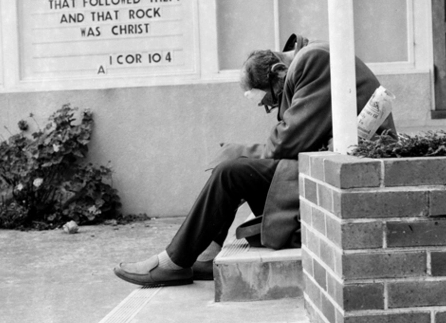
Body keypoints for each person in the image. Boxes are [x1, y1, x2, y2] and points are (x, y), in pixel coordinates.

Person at [114, 34, 396, 287]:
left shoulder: (314, 61)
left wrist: (243, 151)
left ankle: (173, 262)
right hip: (331, 164)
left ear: (276, 72)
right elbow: (292, 137)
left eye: (270, 102)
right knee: (234, 168)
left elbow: (288, 141)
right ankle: (206, 253)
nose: (272, 110)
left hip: (349, 172)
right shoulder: (307, 62)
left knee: (231, 172)